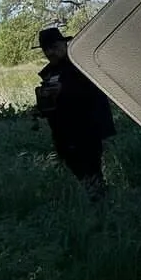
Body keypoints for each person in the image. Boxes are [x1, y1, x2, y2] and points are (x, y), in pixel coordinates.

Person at [33, 26, 115, 201]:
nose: (50, 52)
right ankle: (97, 201)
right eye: (46, 49)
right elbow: (50, 108)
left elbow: (95, 93)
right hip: (64, 134)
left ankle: (102, 203)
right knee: (80, 174)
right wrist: (42, 104)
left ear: (64, 44)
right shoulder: (49, 73)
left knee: (92, 172)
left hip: (87, 130)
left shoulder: (81, 65)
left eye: (54, 47)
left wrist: (64, 90)